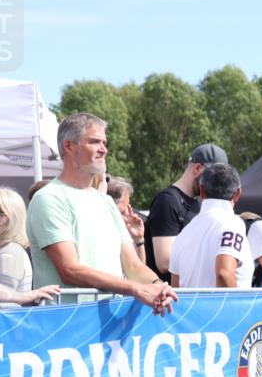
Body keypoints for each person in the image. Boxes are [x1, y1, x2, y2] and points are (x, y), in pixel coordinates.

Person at [26, 113, 175, 314]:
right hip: (65, 325)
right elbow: (70, 270)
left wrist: (159, 286)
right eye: (95, 142)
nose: (104, 149)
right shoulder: (49, 198)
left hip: (107, 324)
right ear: (69, 146)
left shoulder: (105, 202)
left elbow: (132, 266)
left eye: (104, 142)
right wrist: (135, 288)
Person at [144, 143, 228, 283]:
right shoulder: (167, 201)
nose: (217, 183)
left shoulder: (201, 204)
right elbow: (165, 262)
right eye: (214, 176)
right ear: (197, 168)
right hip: (167, 297)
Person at [169, 163, 252, 288]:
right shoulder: (232, 223)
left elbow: (176, 288)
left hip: (189, 307)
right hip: (226, 307)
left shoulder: (183, 234)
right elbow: (224, 273)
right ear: (238, 193)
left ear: (201, 191)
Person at [105, 176, 147, 265]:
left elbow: (138, 271)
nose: (129, 213)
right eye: (123, 210)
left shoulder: (122, 232)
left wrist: (139, 240)